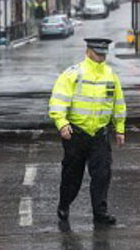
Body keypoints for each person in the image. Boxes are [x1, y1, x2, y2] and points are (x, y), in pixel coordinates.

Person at [48, 38, 127, 225]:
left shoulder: (110, 75)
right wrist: (62, 123)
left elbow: (118, 103)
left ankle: (100, 213)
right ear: (88, 51)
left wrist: (120, 129)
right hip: (75, 134)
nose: (101, 56)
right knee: (72, 176)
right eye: (98, 52)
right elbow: (58, 100)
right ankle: (64, 204)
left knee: (102, 174)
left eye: (103, 53)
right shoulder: (73, 74)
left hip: (99, 134)